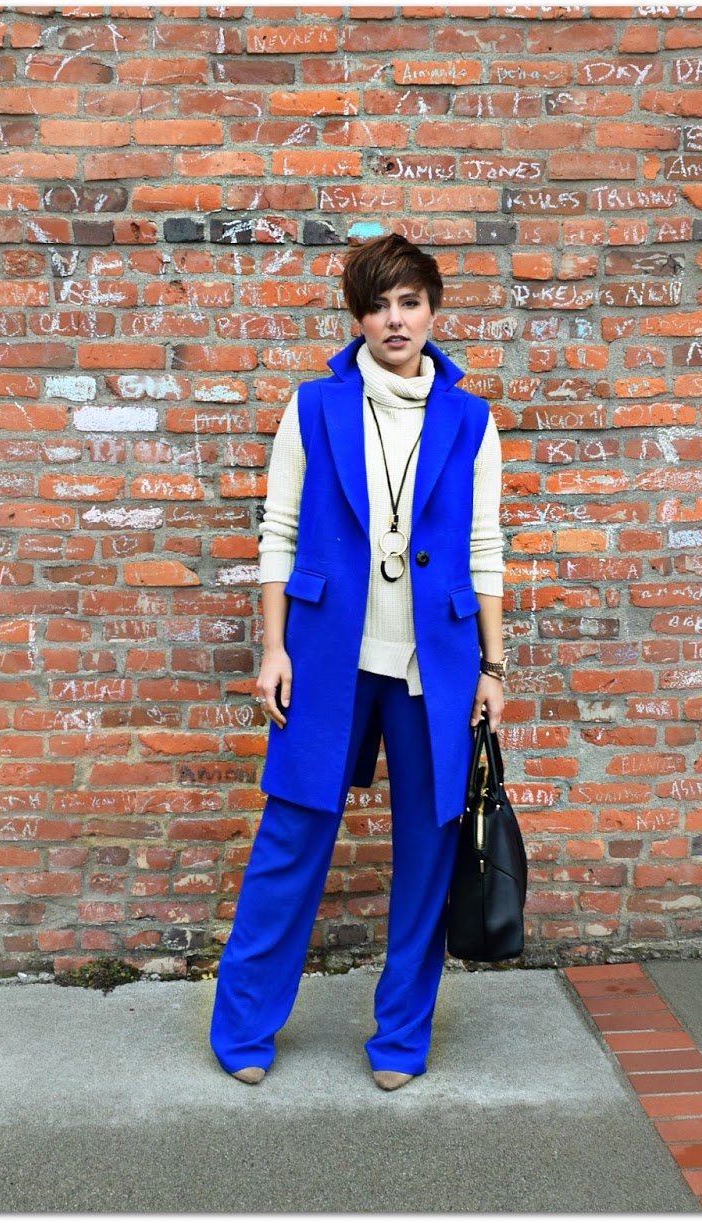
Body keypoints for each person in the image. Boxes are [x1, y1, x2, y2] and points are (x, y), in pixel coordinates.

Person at [209, 232, 506, 1091]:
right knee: (292, 837)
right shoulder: (314, 408)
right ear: (358, 319)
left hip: (434, 668)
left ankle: (402, 1037)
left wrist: (493, 668)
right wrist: (274, 649)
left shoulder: (470, 420)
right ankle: (243, 1025)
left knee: (429, 852)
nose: (394, 320)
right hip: (326, 659)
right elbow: (278, 534)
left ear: (433, 310)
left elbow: (485, 549)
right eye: (377, 306)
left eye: (409, 302)